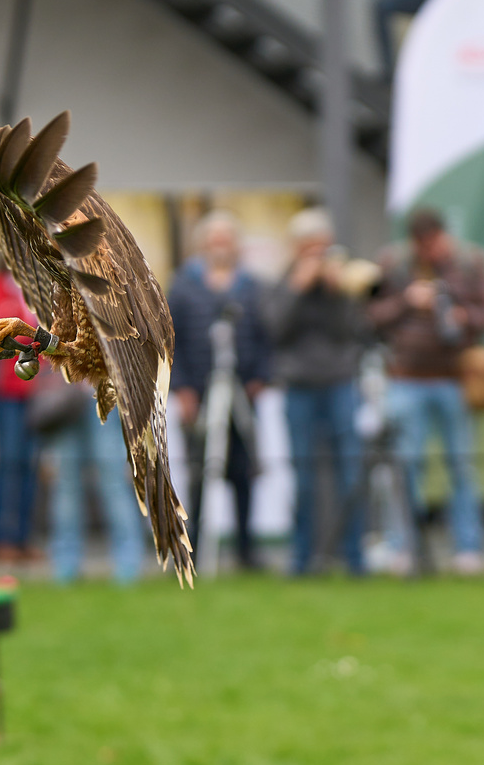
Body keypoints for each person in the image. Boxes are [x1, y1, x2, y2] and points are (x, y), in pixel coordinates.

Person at [369, 208, 484, 573]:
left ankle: (467, 548)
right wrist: (407, 301)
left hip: (454, 378)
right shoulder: (394, 265)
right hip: (406, 379)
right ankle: (404, 546)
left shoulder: (470, 262)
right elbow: (371, 314)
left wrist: (461, 315)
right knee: (405, 466)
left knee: (462, 465)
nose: (431, 251)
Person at [267, 208, 370, 577]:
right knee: (304, 475)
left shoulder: (344, 286)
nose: (319, 256)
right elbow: (275, 329)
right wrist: (299, 288)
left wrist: (337, 293)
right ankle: (303, 559)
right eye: (311, 249)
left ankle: (356, 558)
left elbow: (354, 332)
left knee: (351, 472)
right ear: (296, 249)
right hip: (299, 387)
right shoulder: (282, 283)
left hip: (340, 383)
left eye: (323, 248)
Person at [168, 210, 271, 573]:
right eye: (214, 240)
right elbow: (170, 342)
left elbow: (265, 337)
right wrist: (181, 389)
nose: (221, 247)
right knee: (199, 471)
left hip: (241, 390)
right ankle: (193, 545)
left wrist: (259, 377)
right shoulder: (183, 287)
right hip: (198, 391)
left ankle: (246, 549)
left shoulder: (253, 287)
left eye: (226, 240)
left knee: (243, 473)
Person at [38, 376, 145, 584]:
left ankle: (128, 562)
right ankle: (65, 563)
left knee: (112, 482)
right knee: (66, 485)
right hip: (64, 395)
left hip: (105, 389)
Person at [0, 265, 41, 563]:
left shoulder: (40, 285)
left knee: (31, 465)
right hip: (7, 391)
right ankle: (3, 537)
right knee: (10, 461)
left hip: (39, 391)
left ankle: (22, 537)